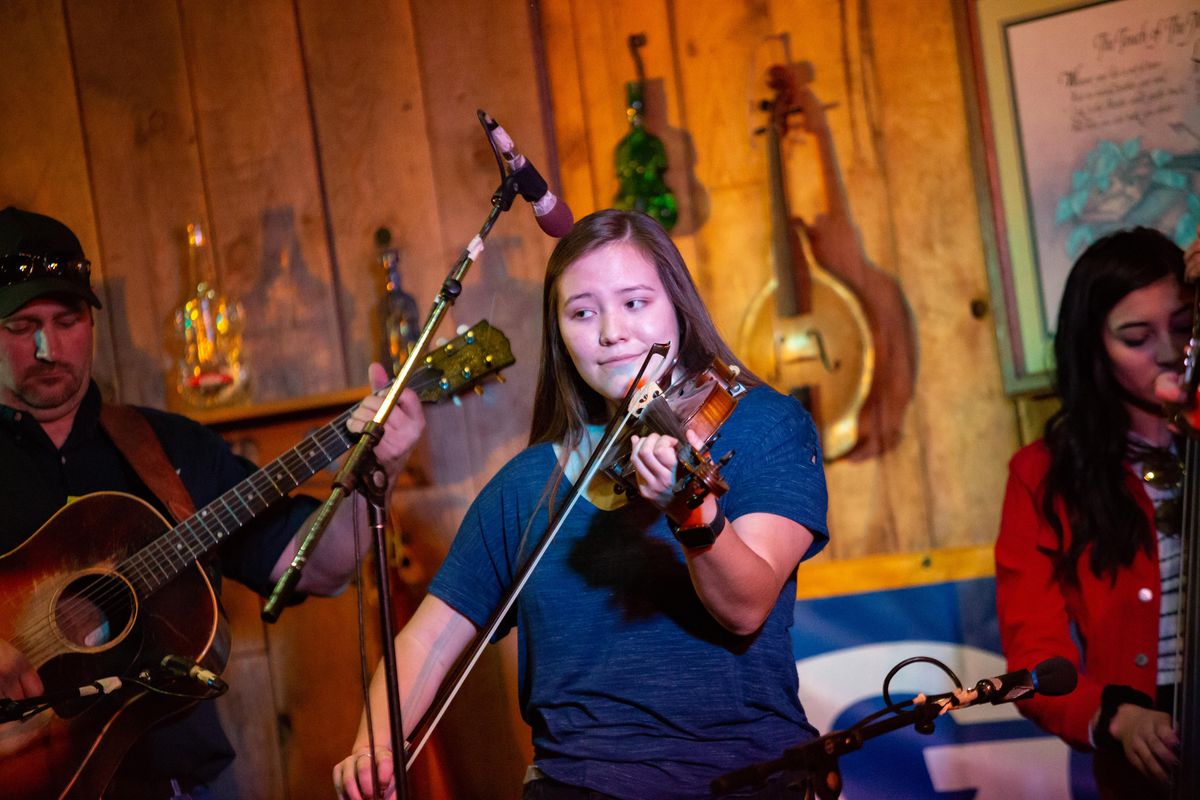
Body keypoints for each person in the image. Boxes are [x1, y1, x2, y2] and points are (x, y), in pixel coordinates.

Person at [334, 209, 830, 800]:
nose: (610, 332)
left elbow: (746, 607)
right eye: (582, 312)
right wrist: (374, 749)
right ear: (561, 335)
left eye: (636, 302)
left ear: (678, 306)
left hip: (746, 783)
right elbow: (428, 639)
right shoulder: (525, 486)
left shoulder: (762, 427)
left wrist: (692, 514)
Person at [0, 206, 426, 798]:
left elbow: (320, 565)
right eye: (21, 326)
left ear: (91, 324)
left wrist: (379, 471)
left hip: (186, 786)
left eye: (67, 319)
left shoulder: (166, 447)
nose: (47, 346)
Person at [994, 225, 1200, 798]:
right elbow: (1033, 656)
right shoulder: (1043, 474)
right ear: (1094, 351)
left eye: (1184, 329)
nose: (1166, 351)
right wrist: (1117, 718)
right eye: (1135, 337)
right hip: (1149, 745)